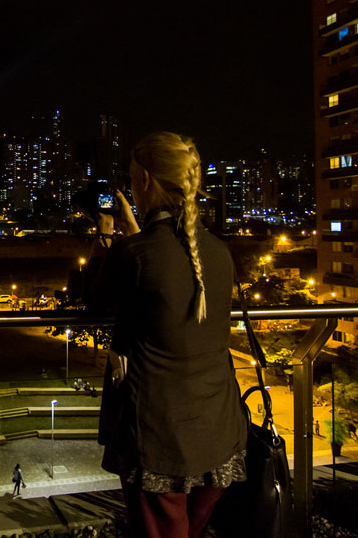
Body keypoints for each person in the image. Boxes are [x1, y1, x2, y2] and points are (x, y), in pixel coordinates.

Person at [84, 132, 247, 538]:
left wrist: (110, 234)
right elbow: (167, 274)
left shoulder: (133, 254)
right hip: (219, 432)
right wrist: (135, 231)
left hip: (158, 438)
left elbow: (98, 304)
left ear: (144, 182)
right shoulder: (218, 251)